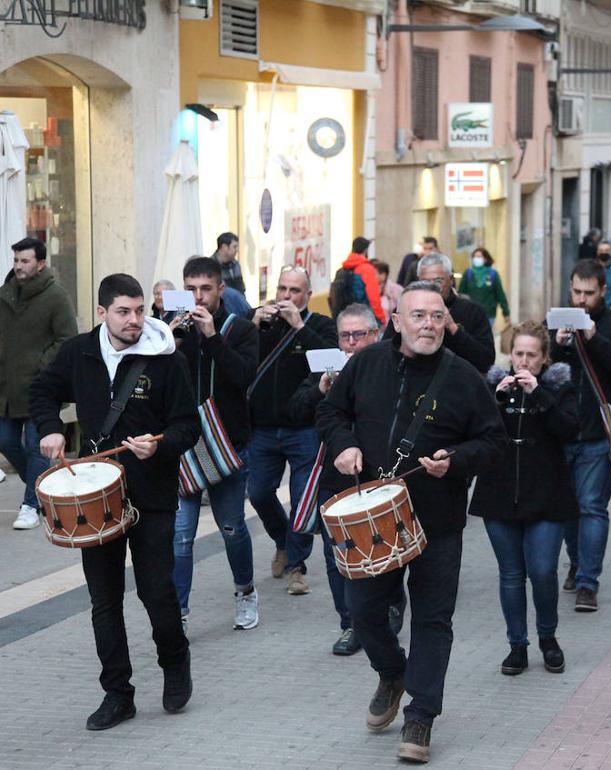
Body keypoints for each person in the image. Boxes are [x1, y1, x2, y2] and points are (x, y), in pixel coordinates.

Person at [316, 282, 504, 763]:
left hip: (437, 520)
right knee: (364, 612)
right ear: (396, 321)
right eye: (418, 316)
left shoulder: (464, 377)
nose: (428, 325)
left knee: (433, 619)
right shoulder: (366, 363)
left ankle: (421, 717)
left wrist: (457, 460)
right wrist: (344, 446)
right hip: (373, 520)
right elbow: (331, 412)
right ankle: (393, 672)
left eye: (437, 316)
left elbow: (493, 443)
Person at [29, 273, 199, 731]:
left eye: (140, 310)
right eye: (124, 311)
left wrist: (160, 445)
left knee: (156, 591)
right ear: (102, 313)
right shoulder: (78, 352)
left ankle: (174, 660)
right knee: (104, 599)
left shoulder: (165, 360)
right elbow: (41, 390)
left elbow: (188, 425)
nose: (135, 320)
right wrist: (50, 427)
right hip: (96, 492)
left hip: (152, 493)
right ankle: (117, 693)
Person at [471, 321, 579, 676]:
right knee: (511, 574)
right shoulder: (494, 386)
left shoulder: (559, 387)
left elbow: (569, 429)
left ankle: (548, 638)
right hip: (500, 492)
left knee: (543, 570)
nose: (524, 362)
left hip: (547, 493)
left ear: (544, 358)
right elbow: (474, 432)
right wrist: (494, 400)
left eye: (532, 355)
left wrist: (539, 396)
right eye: (518, 354)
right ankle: (517, 645)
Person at [170, 257, 262, 633]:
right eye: (190, 289)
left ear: (220, 290)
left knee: (231, 528)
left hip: (229, 443)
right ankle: (178, 613)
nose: (198, 296)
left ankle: (245, 592)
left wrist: (212, 338)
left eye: (206, 288)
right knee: (180, 535)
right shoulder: (171, 328)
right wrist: (168, 338)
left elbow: (242, 377)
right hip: (185, 445)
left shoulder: (239, 329)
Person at [289, 303, 385, 655]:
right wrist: (320, 391)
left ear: (375, 335)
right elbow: (296, 408)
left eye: (359, 335)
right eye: (345, 336)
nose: (351, 343)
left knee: (381, 550)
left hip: (379, 477)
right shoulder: (327, 370)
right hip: (335, 477)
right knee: (336, 558)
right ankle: (350, 624)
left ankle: (388, 609)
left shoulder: (389, 368)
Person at [550, 259, 611, 612]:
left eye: (589, 293)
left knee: (591, 507)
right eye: (577, 292)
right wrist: (557, 346)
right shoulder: (557, 322)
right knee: (567, 509)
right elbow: (543, 372)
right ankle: (575, 563)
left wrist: (594, 338)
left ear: (604, 291)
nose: (582, 300)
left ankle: (588, 581)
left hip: (599, 434)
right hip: (561, 433)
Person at [247, 265, 338, 594]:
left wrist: (299, 326)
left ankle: (297, 567)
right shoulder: (259, 321)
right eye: (283, 289)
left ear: (308, 296)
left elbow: (330, 362)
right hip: (263, 429)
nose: (286, 296)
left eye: (294, 291)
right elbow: (236, 361)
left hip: (304, 429)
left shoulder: (320, 325)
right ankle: (282, 540)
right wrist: (251, 326)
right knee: (257, 492)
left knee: (303, 500)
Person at [0, 237, 77, 531]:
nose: (18, 266)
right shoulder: (8, 292)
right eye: (15, 260)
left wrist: (41, 367)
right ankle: (43, 490)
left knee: (37, 448)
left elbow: (67, 339)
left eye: (24, 261)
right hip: (7, 385)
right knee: (5, 441)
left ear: (40, 264)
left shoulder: (56, 296)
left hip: (41, 388)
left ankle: (30, 504)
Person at [384, 253, 495, 374]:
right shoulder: (405, 309)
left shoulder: (473, 311)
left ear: (451, 280)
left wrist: (454, 329)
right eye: (425, 282)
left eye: (438, 281)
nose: (431, 287)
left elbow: (486, 360)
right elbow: (386, 351)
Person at [336, 237, 387, 325]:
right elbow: (373, 297)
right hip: (364, 318)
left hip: (345, 317)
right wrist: (381, 318)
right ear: (366, 250)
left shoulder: (343, 269)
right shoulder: (366, 269)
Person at [459, 247, 510, 327]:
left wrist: (506, 312)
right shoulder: (468, 274)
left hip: (489, 314)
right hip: (471, 314)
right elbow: (461, 293)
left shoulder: (493, 274)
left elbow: (500, 294)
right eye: (475, 257)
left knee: (485, 337)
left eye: (479, 257)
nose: (476, 259)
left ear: (485, 259)